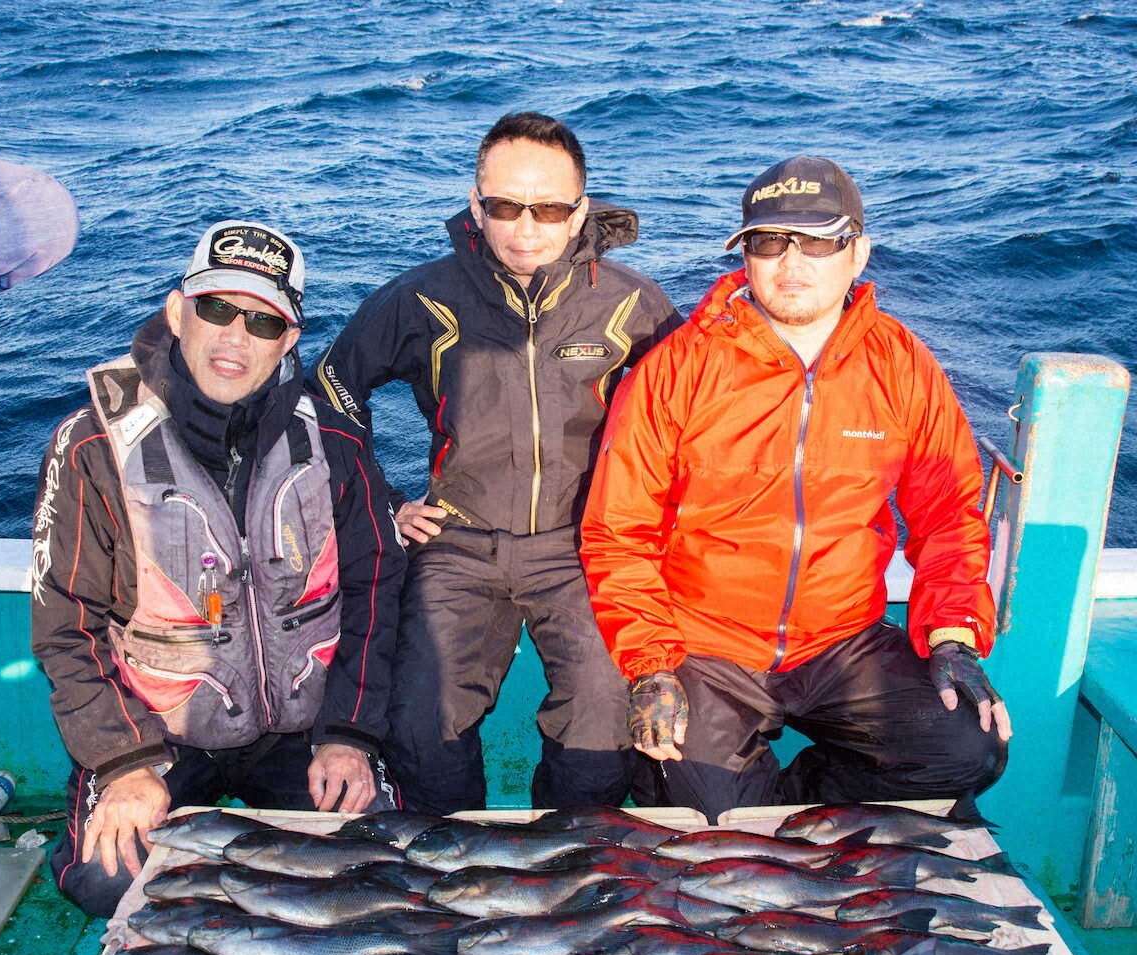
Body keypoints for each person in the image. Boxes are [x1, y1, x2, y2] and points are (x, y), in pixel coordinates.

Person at [579, 156, 1011, 824]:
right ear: (745, 254)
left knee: (969, 747)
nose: (791, 261)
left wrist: (952, 635)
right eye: (768, 241)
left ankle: (798, 799)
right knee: (708, 813)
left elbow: (950, 515)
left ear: (857, 251)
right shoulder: (678, 367)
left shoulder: (903, 366)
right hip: (709, 645)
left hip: (846, 639)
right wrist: (651, 666)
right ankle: (747, 804)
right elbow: (617, 531)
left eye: (818, 240)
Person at [32, 220, 406, 916]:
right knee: (110, 884)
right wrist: (125, 763)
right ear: (177, 311)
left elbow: (375, 591)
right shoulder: (90, 447)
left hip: (301, 729)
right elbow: (66, 626)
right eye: (216, 308)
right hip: (160, 735)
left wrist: (349, 735)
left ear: (288, 341)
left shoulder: (335, 443)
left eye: (264, 321)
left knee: (372, 860)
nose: (236, 336)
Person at [314, 112, 682, 813]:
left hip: (582, 546)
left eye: (548, 209)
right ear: (476, 204)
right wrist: (385, 501)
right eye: (506, 206)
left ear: (580, 212)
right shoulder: (423, 296)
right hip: (458, 541)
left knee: (602, 726)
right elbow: (331, 389)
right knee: (420, 722)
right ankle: (455, 865)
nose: (525, 227)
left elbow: (689, 420)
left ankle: (564, 864)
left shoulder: (634, 304)